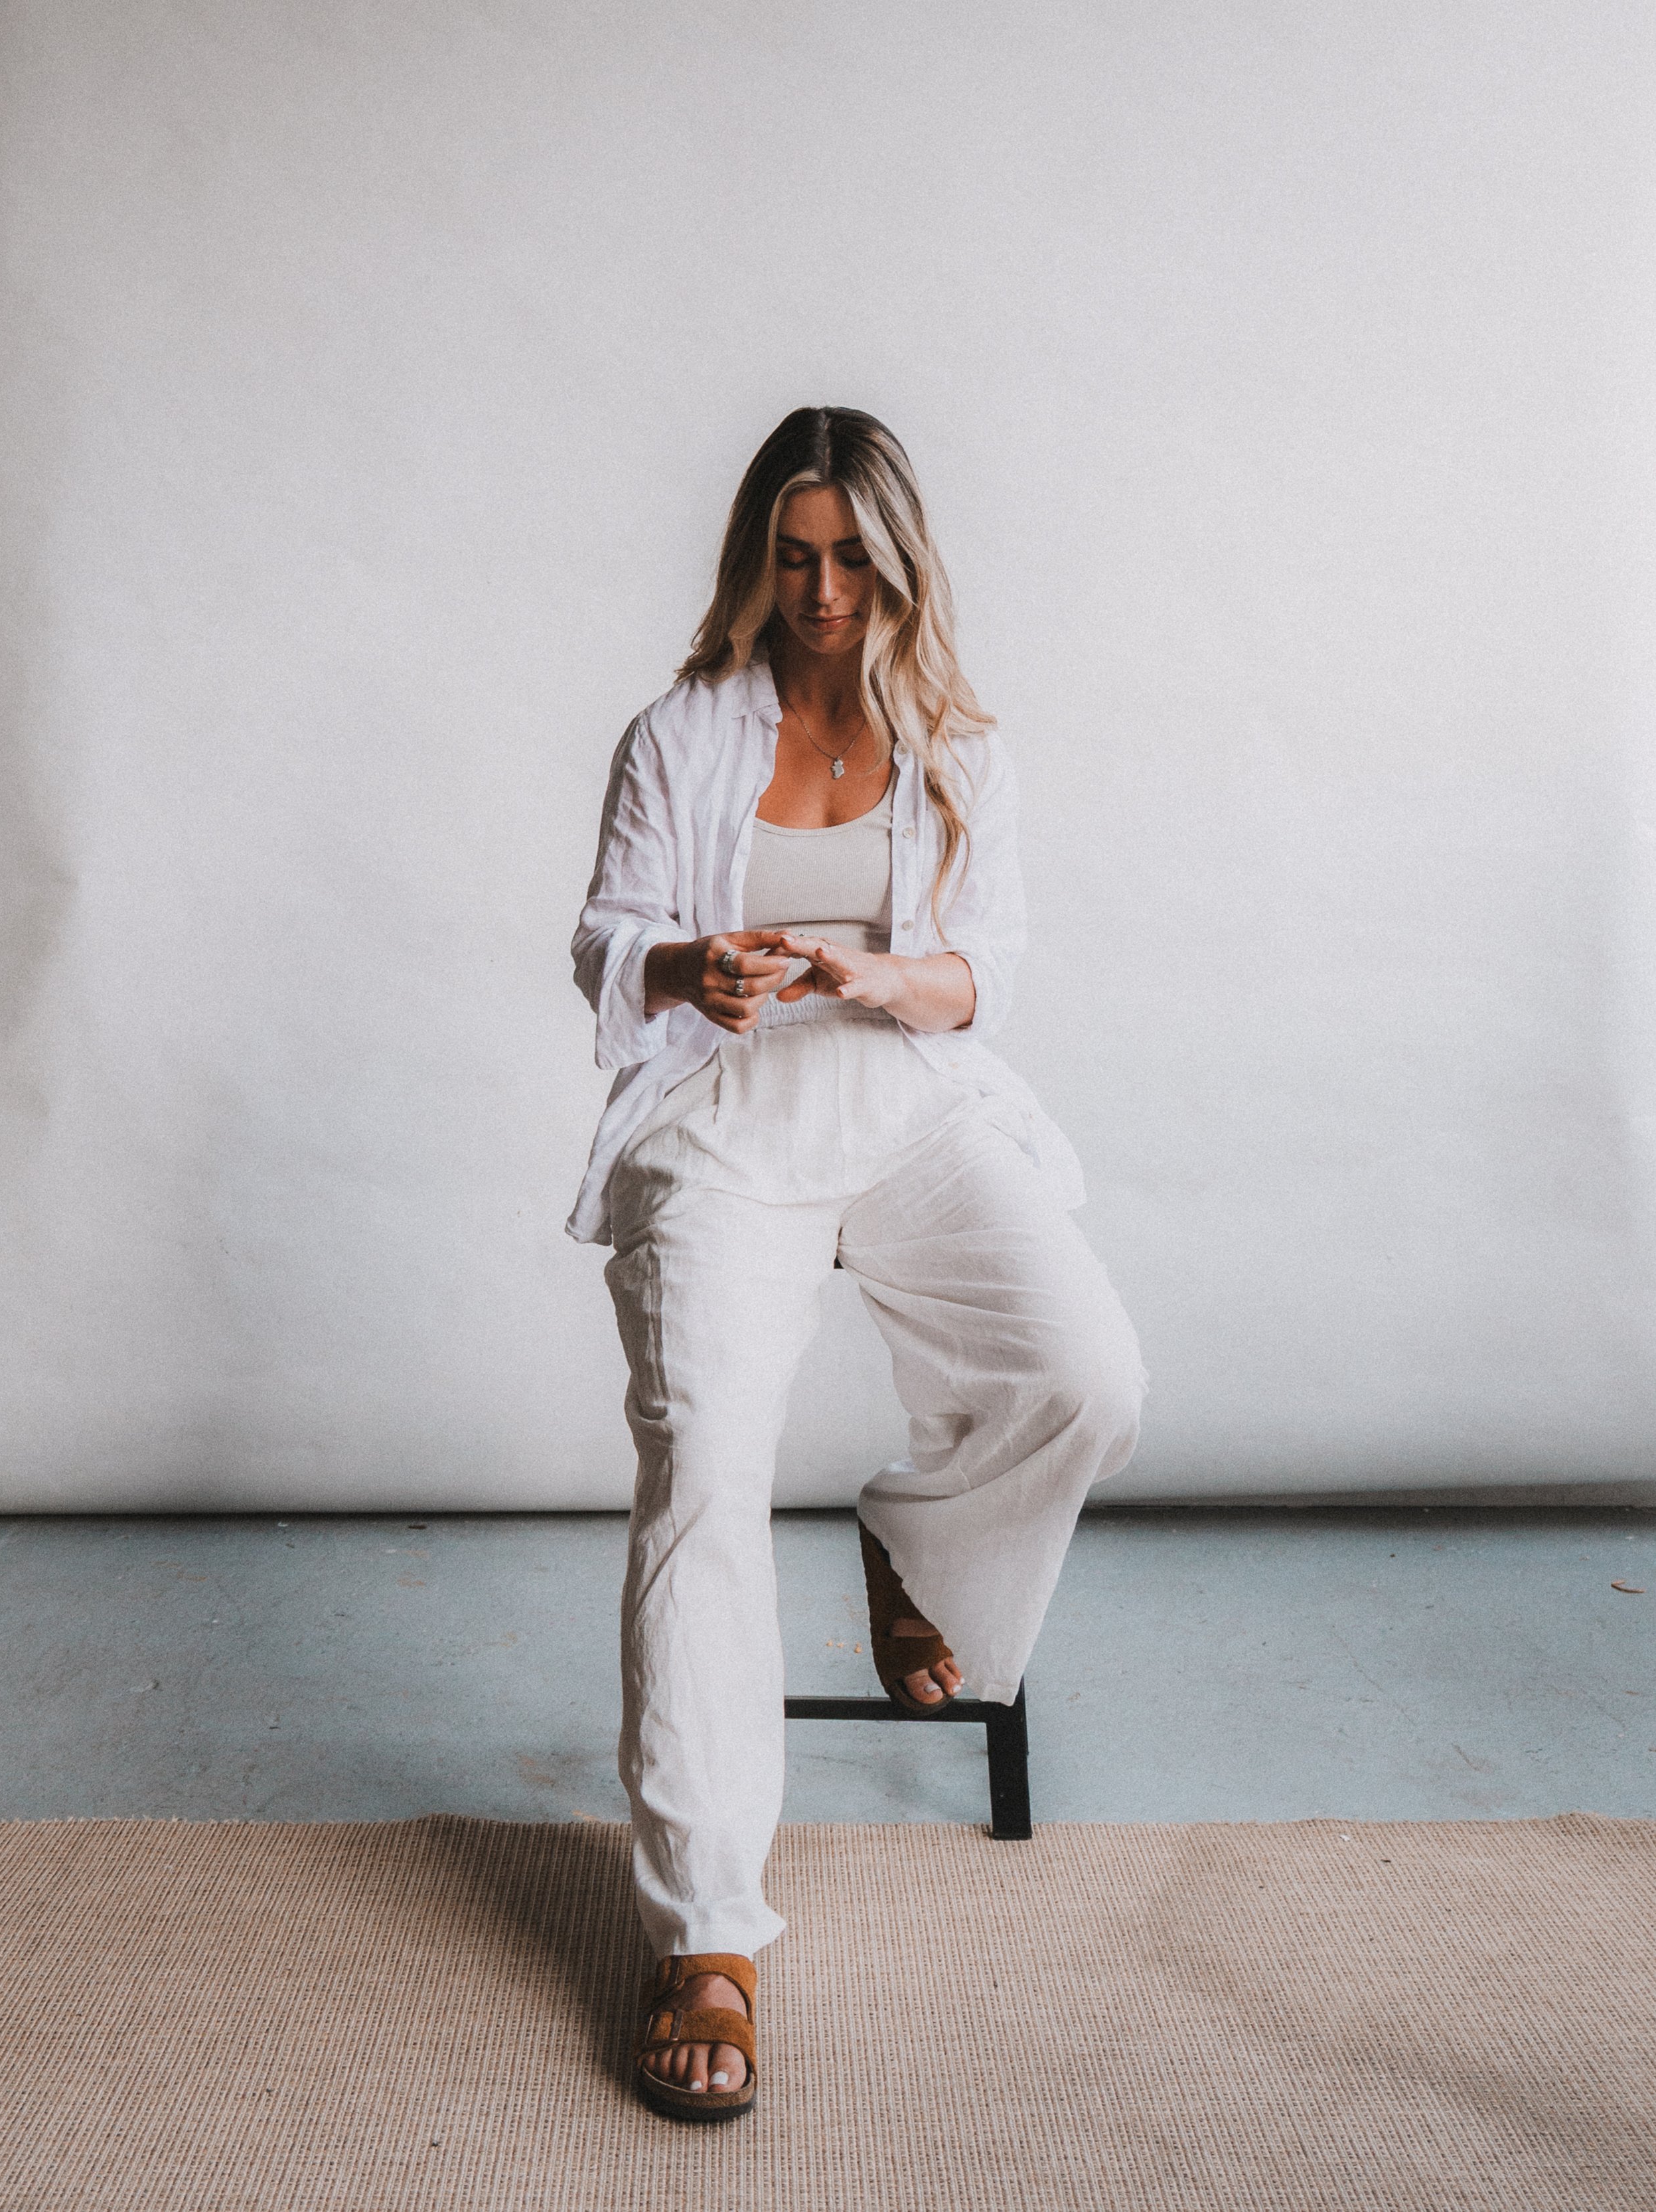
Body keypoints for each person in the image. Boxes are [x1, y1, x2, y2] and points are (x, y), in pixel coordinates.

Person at [569, 407, 1144, 2120]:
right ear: (754, 554)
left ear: (899, 562)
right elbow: (600, 937)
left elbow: (991, 967)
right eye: (791, 554)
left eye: (851, 558)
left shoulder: (957, 742)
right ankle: (708, 1938)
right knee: (700, 1483)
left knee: (1085, 1379)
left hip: (903, 1104)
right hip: (725, 1124)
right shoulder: (677, 732)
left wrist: (888, 981)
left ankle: (922, 1549)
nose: (821, 591)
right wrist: (692, 969)